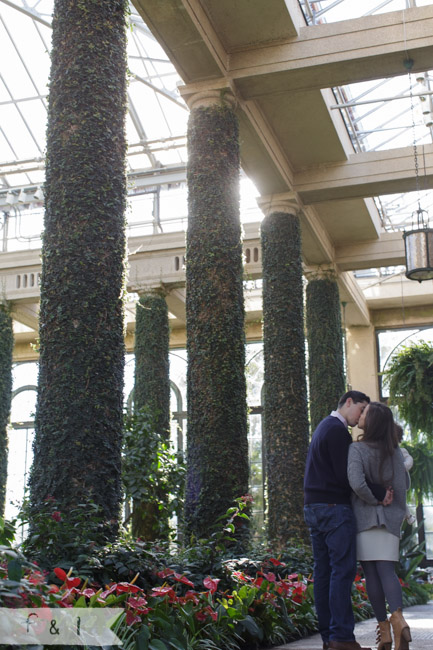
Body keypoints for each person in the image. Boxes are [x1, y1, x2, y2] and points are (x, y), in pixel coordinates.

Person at [304, 390, 372, 650]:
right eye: (362, 409)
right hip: (334, 508)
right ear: (348, 402)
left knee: (324, 573)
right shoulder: (337, 431)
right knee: (341, 572)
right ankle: (342, 638)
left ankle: (330, 639)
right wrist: (376, 492)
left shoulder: (323, 426)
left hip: (314, 507)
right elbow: (348, 478)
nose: (362, 415)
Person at [348, 402, 411, 650]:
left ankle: (385, 629)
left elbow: (356, 482)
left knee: (371, 575)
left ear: (372, 421)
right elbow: (402, 485)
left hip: (364, 520)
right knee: (388, 573)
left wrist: (373, 498)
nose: (361, 414)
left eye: (365, 413)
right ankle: (398, 622)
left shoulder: (357, 449)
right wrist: (393, 511)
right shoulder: (394, 452)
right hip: (389, 520)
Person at [395, 423, 416, 526]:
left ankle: (408, 516)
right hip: (392, 483)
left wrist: (403, 466)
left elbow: (409, 459)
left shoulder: (401, 451)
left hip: (400, 481)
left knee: (400, 497)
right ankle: (407, 516)